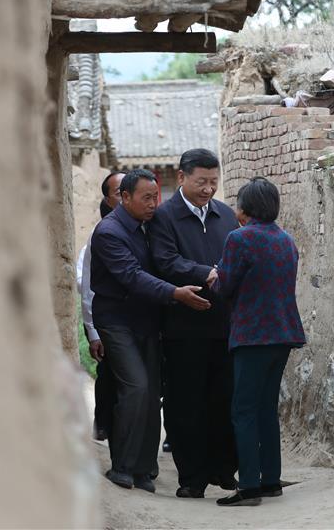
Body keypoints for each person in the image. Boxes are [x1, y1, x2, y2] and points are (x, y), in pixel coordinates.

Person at [89, 169, 211, 493]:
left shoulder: (148, 227)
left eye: (156, 197)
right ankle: (123, 467)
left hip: (147, 321)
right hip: (116, 321)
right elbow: (132, 276)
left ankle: (145, 470)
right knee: (136, 387)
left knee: (152, 391)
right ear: (124, 197)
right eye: (146, 198)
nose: (153, 204)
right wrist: (175, 293)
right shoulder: (109, 233)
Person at [148, 149, 240, 499]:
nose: (208, 189)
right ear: (182, 177)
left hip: (224, 326)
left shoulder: (225, 215)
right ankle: (192, 477)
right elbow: (165, 260)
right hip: (183, 329)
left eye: (213, 182)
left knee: (223, 399)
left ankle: (223, 469)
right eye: (201, 181)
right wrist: (207, 273)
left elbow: (235, 257)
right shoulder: (164, 217)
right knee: (185, 403)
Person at [209, 177, 306, 507]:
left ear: (245, 208)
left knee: (244, 410)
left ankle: (249, 485)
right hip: (283, 333)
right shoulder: (286, 240)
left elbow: (225, 286)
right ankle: (270, 479)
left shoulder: (240, 238)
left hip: (252, 335)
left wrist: (214, 276)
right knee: (267, 408)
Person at [78, 171, 124, 441]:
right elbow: (87, 287)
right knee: (110, 376)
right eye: (120, 191)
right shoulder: (101, 236)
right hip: (108, 323)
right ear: (109, 200)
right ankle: (105, 423)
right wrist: (92, 331)